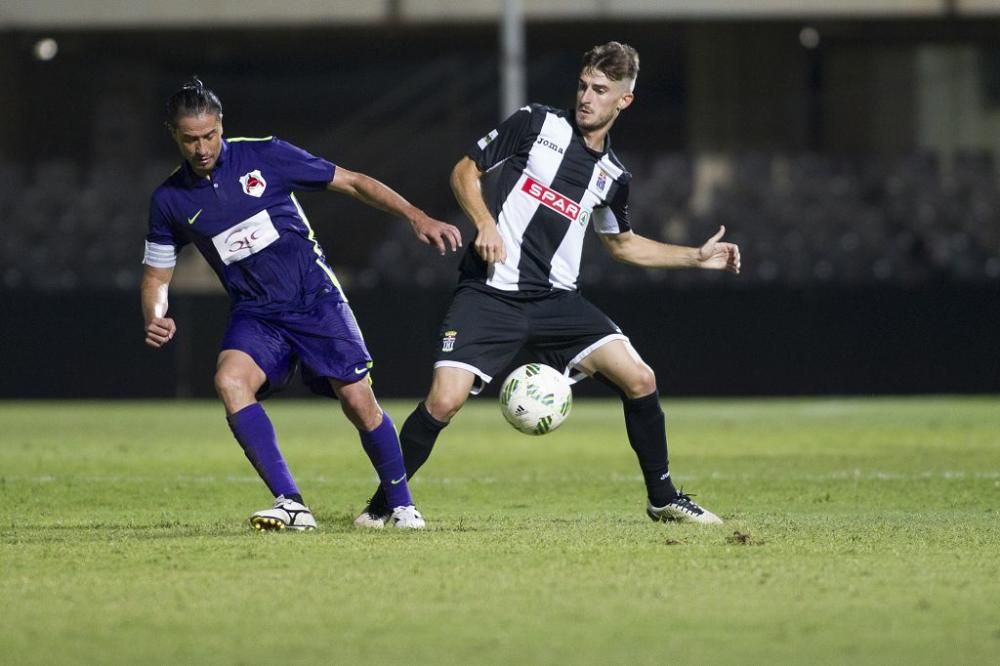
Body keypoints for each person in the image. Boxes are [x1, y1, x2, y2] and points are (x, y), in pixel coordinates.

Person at [356, 42, 740, 528]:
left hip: (558, 302)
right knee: (443, 400)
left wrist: (695, 257)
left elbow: (621, 245)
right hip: (490, 292)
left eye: (600, 90)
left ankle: (663, 499)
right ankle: (380, 507)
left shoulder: (613, 175)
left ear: (624, 101)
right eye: (583, 85)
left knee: (640, 378)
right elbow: (463, 171)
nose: (586, 97)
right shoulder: (536, 123)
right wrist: (485, 222)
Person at [142, 78, 461, 531]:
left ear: (221, 126)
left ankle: (401, 505)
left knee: (357, 400)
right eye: (190, 138)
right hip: (257, 314)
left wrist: (416, 215)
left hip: (315, 300)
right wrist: (154, 315)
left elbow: (353, 183)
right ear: (173, 134)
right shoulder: (168, 200)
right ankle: (291, 503)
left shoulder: (265, 154)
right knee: (230, 381)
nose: (201, 147)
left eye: (209, 135)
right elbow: (157, 273)